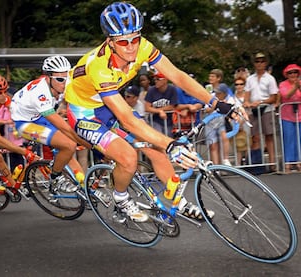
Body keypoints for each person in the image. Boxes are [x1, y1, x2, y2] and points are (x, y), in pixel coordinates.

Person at [65, 2, 232, 222]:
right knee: (128, 157)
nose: (131, 46)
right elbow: (125, 118)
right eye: (123, 41)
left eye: (135, 38)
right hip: (84, 112)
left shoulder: (143, 46)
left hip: (107, 105)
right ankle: (121, 198)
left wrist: (214, 101)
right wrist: (171, 144)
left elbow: (177, 76)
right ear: (110, 42)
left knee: (156, 149)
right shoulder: (99, 66)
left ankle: (178, 202)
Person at [11, 55, 89, 193]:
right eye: (60, 79)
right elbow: (62, 126)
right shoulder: (39, 93)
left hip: (39, 117)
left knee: (69, 147)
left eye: (67, 78)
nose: (65, 83)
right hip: (24, 123)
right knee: (69, 144)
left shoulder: (58, 84)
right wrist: (84, 141)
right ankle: (55, 178)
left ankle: (84, 187)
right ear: (47, 78)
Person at [243, 52, 278, 173]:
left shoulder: (270, 78)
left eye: (262, 61)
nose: (260, 63)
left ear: (266, 63)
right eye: (257, 61)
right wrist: (247, 102)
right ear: (254, 63)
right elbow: (246, 96)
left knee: (269, 136)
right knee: (255, 137)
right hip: (254, 110)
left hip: (266, 109)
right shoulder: (250, 79)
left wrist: (261, 102)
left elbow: (274, 97)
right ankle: (256, 164)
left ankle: (273, 164)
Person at [204, 83, 235, 166]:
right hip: (210, 122)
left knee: (225, 138)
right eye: (216, 92)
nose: (217, 94)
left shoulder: (230, 98)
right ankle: (216, 167)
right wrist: (215, 106)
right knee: (213, 145)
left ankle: (226, 159)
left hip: (222, 122)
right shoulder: (212, 96)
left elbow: (232, 109)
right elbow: (206, 109)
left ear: (224, 93)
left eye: (219, 93)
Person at [278, 64, 301, 173]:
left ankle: (298, 162)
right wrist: (295, 87)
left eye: (295, 72)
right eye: (290, 73)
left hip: (300, 115)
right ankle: (288, 163)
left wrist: (299, 86)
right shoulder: (283, 84)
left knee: (299, 139)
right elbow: (286, 95)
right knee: (288, 139)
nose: (293, 74)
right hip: (287, 115)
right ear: (286, 74)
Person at [144, 72, 178, 137]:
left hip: (169, 120)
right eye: (154, 79)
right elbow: (147, 108)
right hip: (155, 120)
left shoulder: (172, 89)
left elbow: (172, 106)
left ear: (165, 80)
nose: (155, 81)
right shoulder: (151, 90)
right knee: (158, 136)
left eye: (158, 79)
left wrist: (157, 110)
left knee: (168, 137)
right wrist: (159, 111)